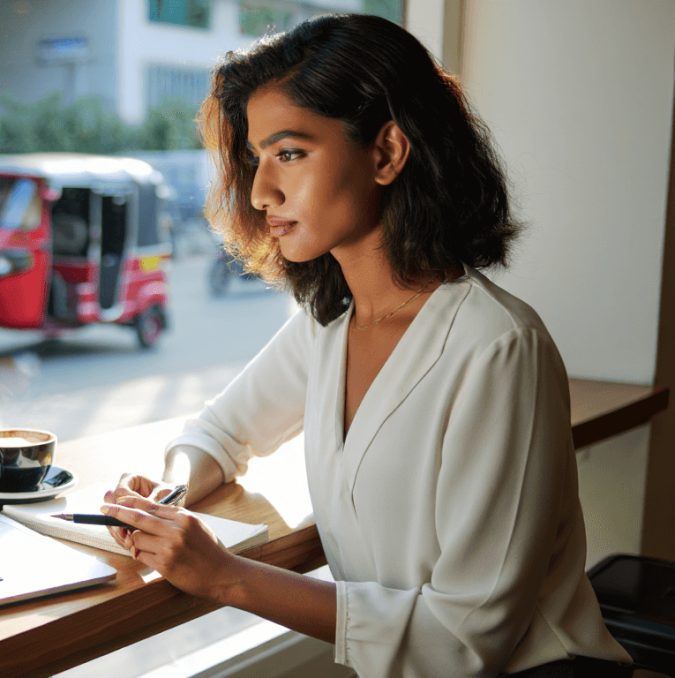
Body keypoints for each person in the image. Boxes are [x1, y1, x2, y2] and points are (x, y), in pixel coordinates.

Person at [100, 14, 633, 678]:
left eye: (289, 152)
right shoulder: (328, 323)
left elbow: (466, 642)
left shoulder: (498, 349)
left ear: (385, 152)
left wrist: (225, 576)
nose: (262, 191)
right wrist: (167, 499)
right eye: (255, 157)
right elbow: (220, 430)